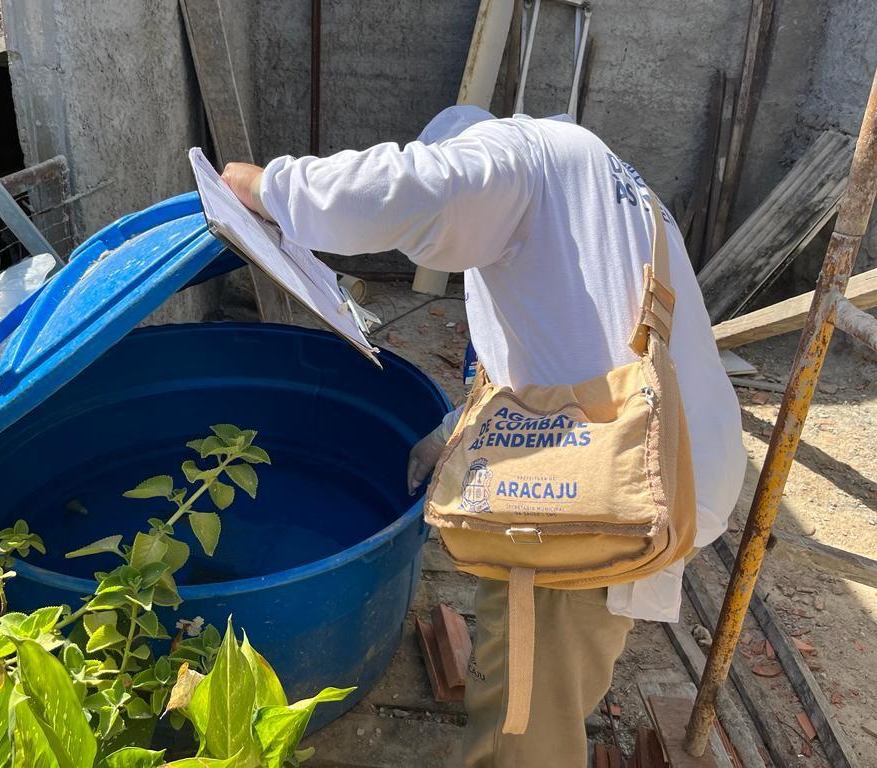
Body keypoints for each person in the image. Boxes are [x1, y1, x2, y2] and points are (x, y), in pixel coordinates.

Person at [222, 105, 746, 768]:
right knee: (562, 675)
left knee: (522, 719)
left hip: (617, 483)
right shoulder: (591, 174)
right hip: (677, 451)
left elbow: (409, 190)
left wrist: (266, 187)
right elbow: (562, 349)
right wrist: (453, 432)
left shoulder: (510, 155)